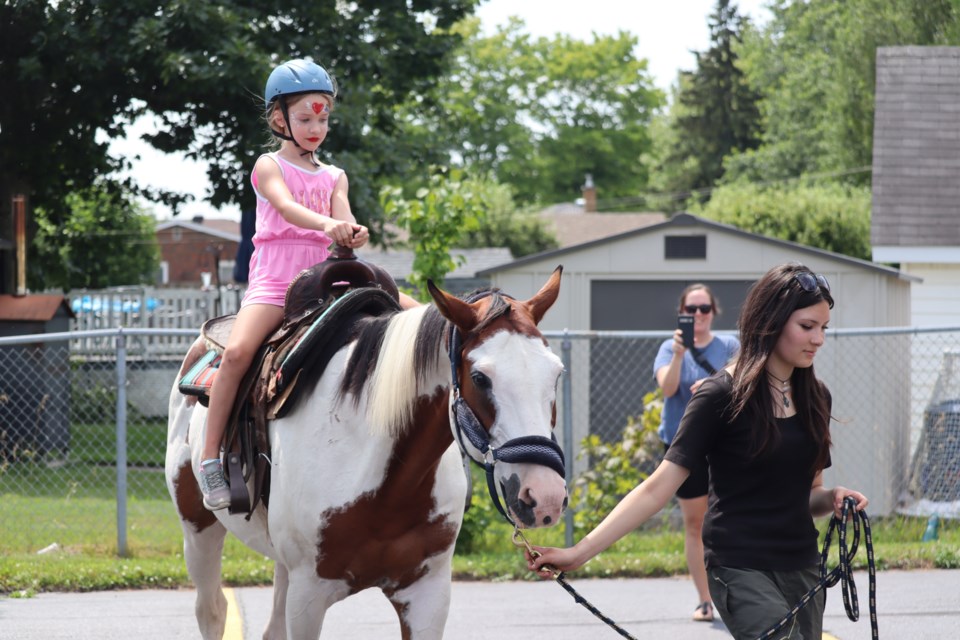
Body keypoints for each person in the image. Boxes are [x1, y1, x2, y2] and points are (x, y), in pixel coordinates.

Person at [527, 263, 869, 640]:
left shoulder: (817, 398)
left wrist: (833, 498)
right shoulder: (719, 396)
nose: (818, 339)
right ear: (771, 321)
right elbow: (657, 489)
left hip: (803, 568)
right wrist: (578, 553)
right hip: (739, 568)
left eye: (824, 328)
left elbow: (809, 496)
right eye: (807, 327)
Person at [199, 58, 415, 511]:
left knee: (412, 313)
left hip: (326, 279)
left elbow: (344, 211)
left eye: (323, 118)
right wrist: (327, 224)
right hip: (277, 282)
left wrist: (353, 230)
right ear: (280, 119)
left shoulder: (335, 175)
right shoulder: (268, 166)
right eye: (305, 118)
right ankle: (208, 457)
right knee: (238, 353)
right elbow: (287, 208)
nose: (316, 127)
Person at [653, 284, 739, 622]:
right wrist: (678, 354)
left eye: (704, 309)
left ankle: (735, 594)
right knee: (694, 523)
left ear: (714, 312)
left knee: (728, 521)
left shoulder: (731, 346)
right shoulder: (668, 348)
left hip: (724, 444)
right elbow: (668, 387)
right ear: (682, 313)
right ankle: (705, 599)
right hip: (684, 445)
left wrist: (716, 384)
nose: (698, 315)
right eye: (691, 309)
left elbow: (747, 382)